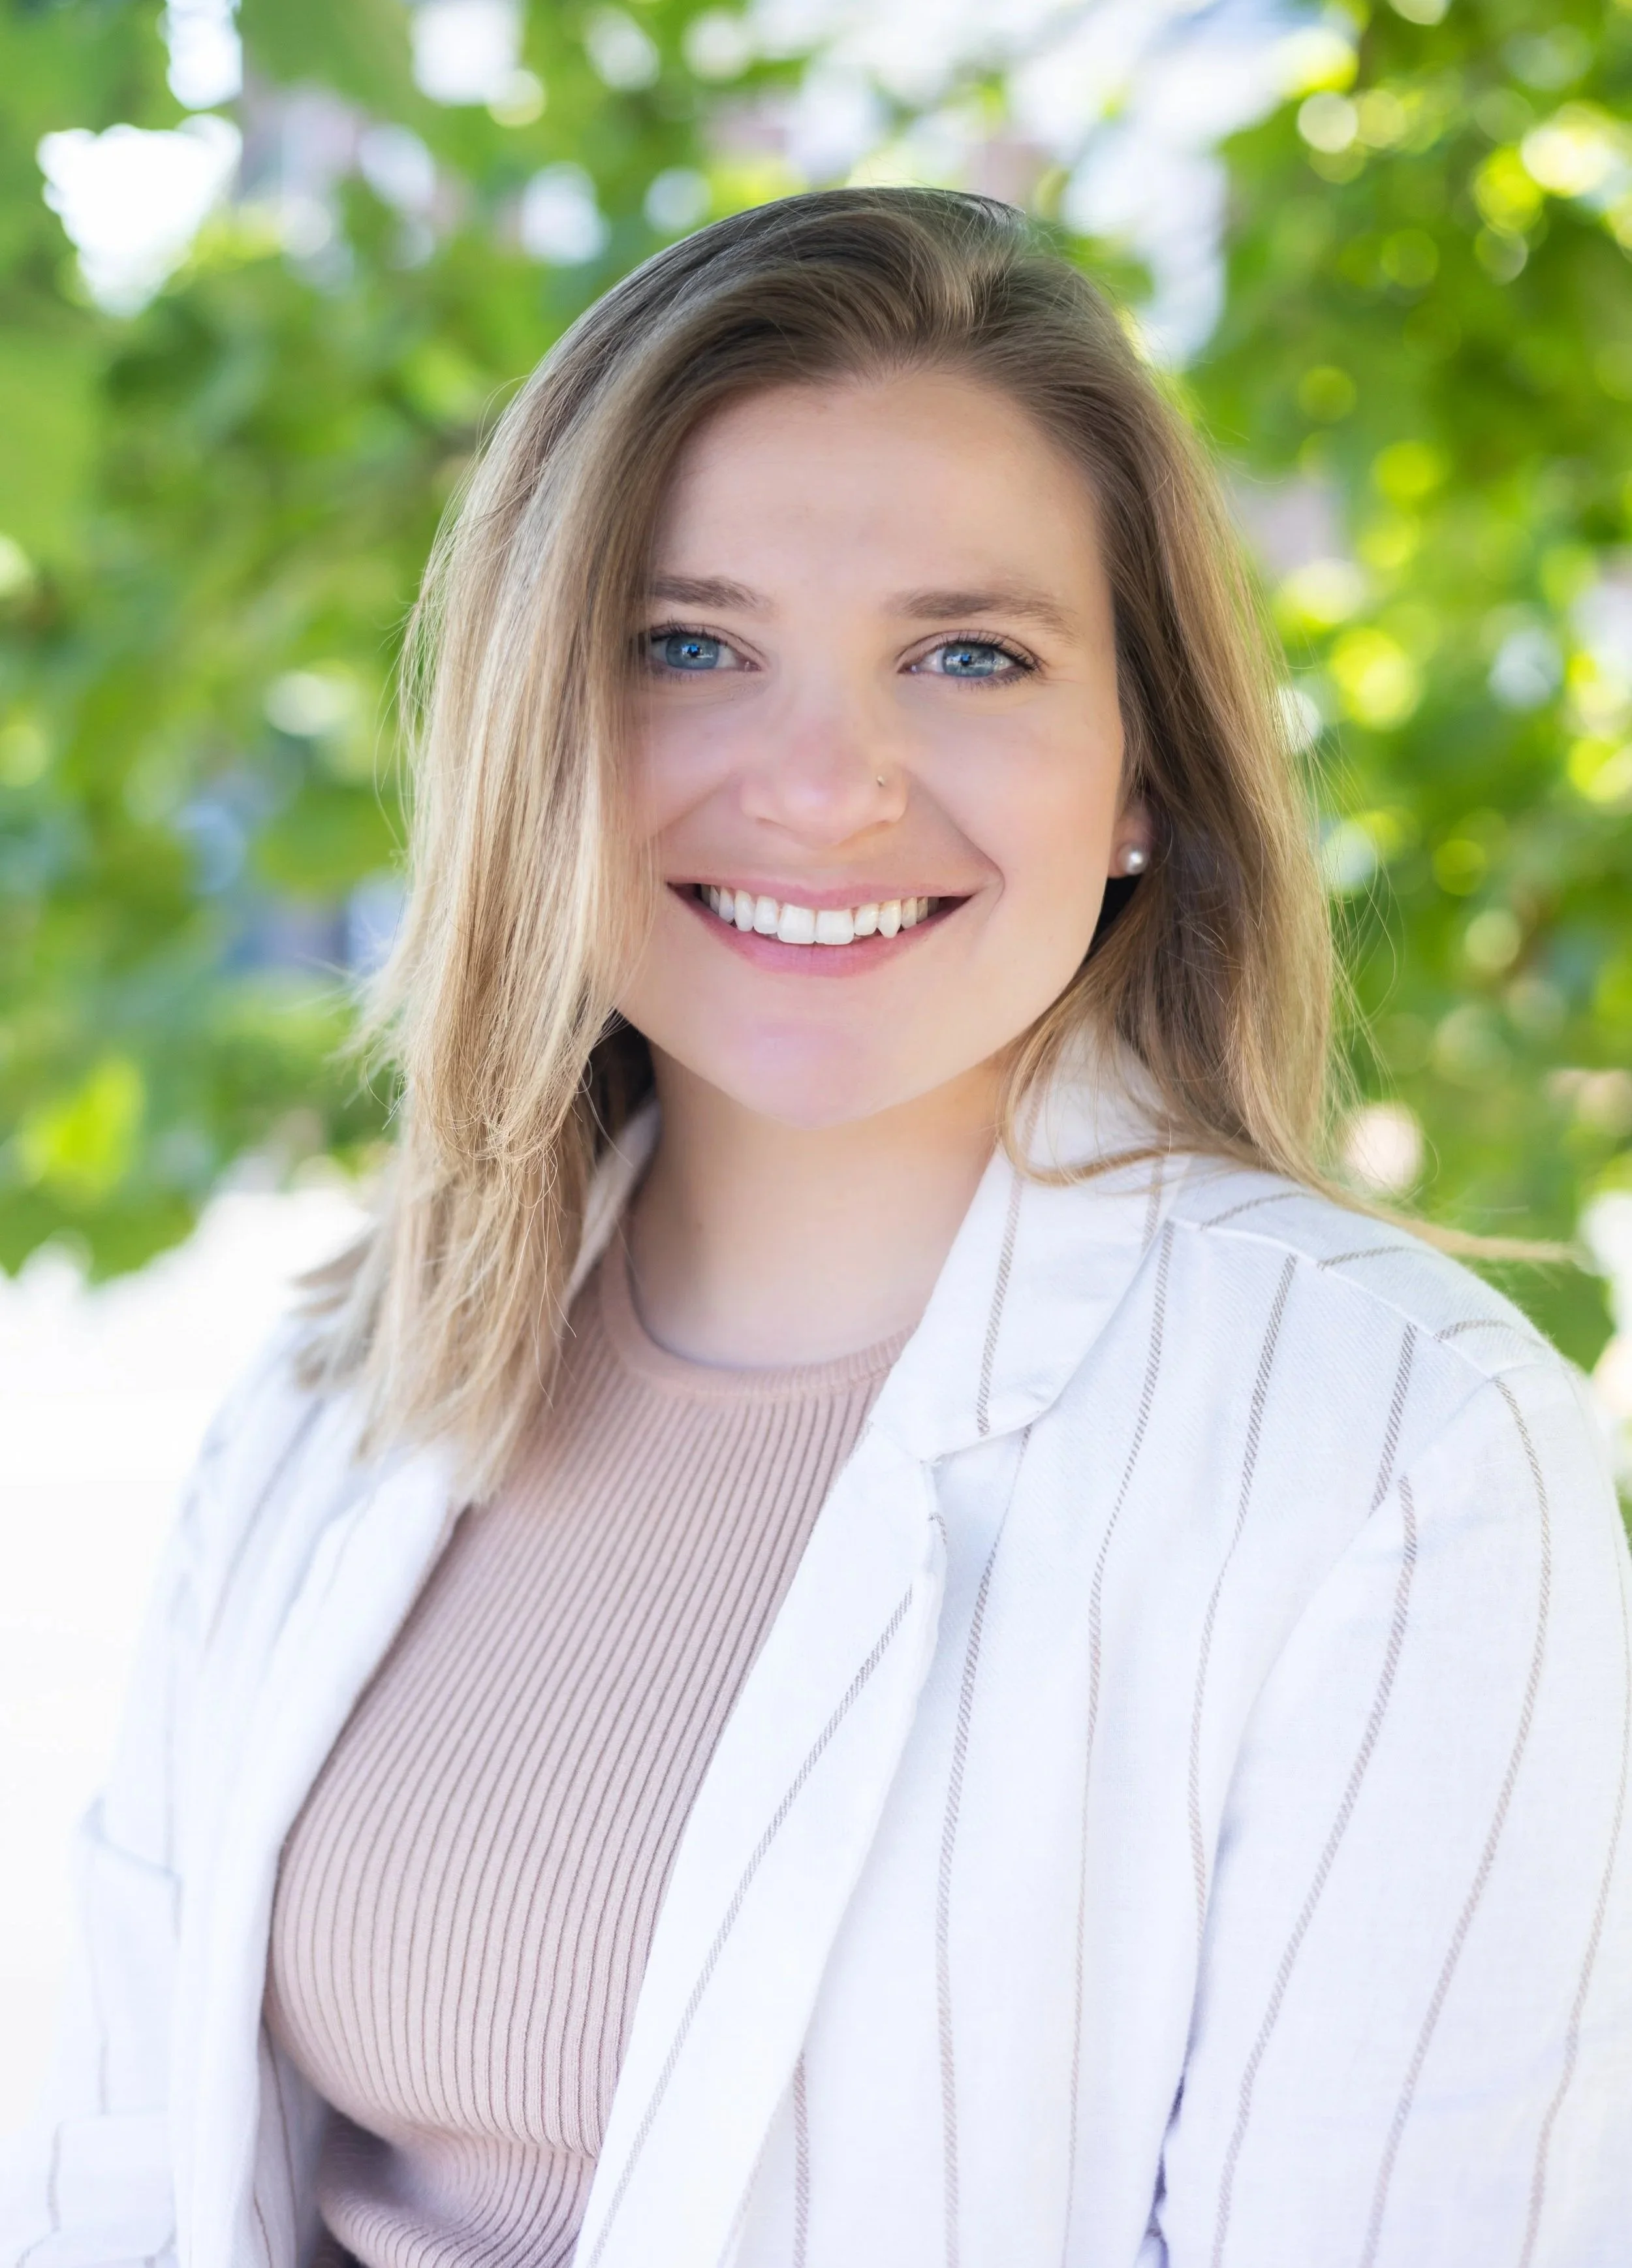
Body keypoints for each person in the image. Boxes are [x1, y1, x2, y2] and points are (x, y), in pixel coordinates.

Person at [3, 188, 1628, 2268]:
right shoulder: (339, 1386)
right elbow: (121, 2189)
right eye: (689, 645)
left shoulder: (1394, 1447)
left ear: (1141, 771)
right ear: (532, 730)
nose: (826, 784)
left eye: (968, 656)